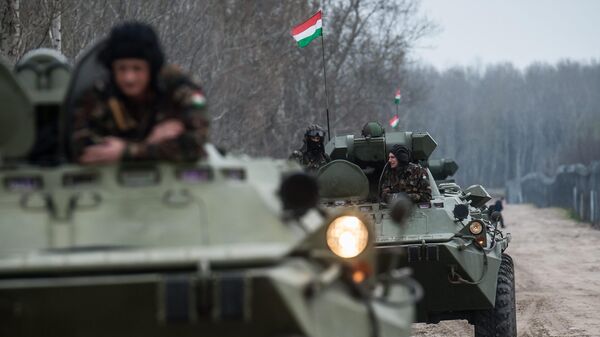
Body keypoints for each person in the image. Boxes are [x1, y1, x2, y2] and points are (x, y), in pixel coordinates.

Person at [71, 22, 209, 164]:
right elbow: (80, 147)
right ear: (112, 69)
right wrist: (151, 142)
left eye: (137, 69)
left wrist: (129, 150)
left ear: (152, 68)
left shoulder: (179, 87)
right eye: (121, 68)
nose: (129, 78)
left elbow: (196, 144)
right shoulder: (99, 93)